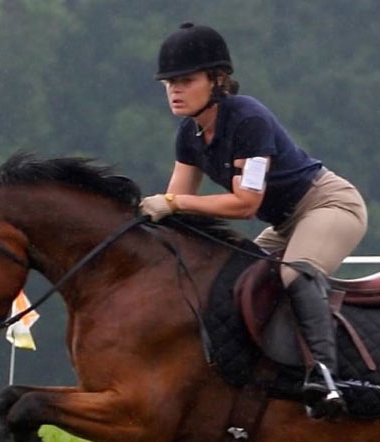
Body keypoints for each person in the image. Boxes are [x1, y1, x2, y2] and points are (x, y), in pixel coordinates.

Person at [140, 22, 368, 419]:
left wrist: (173, 203)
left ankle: (326, 377)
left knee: (296, 274)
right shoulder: (189, 134)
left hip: (328, 205)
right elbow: (178, 207)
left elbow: (245, 203)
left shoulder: (247, 119)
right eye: (168, 83)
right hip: (285, 224)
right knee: (231, 284)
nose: (174, 90)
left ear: (217, 80)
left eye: (185, 80)